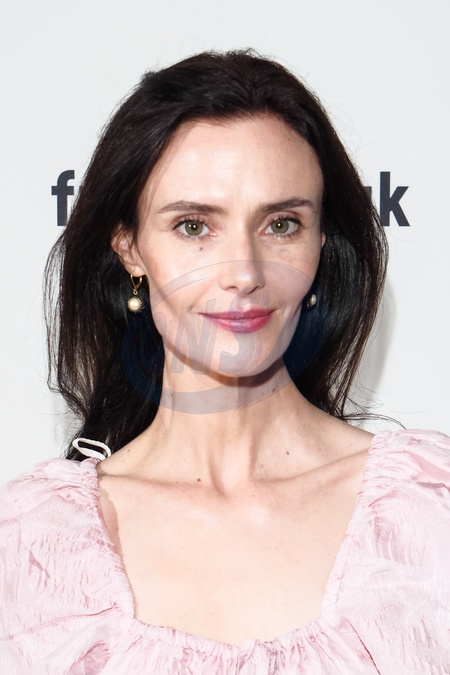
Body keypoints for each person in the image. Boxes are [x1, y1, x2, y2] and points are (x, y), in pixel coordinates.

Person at [0, 50, 449, 674]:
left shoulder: (430, 515)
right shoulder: (31, 550)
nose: (243, 273)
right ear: (130, 247)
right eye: (193, 226)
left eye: (281, 225)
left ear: (321, 243)